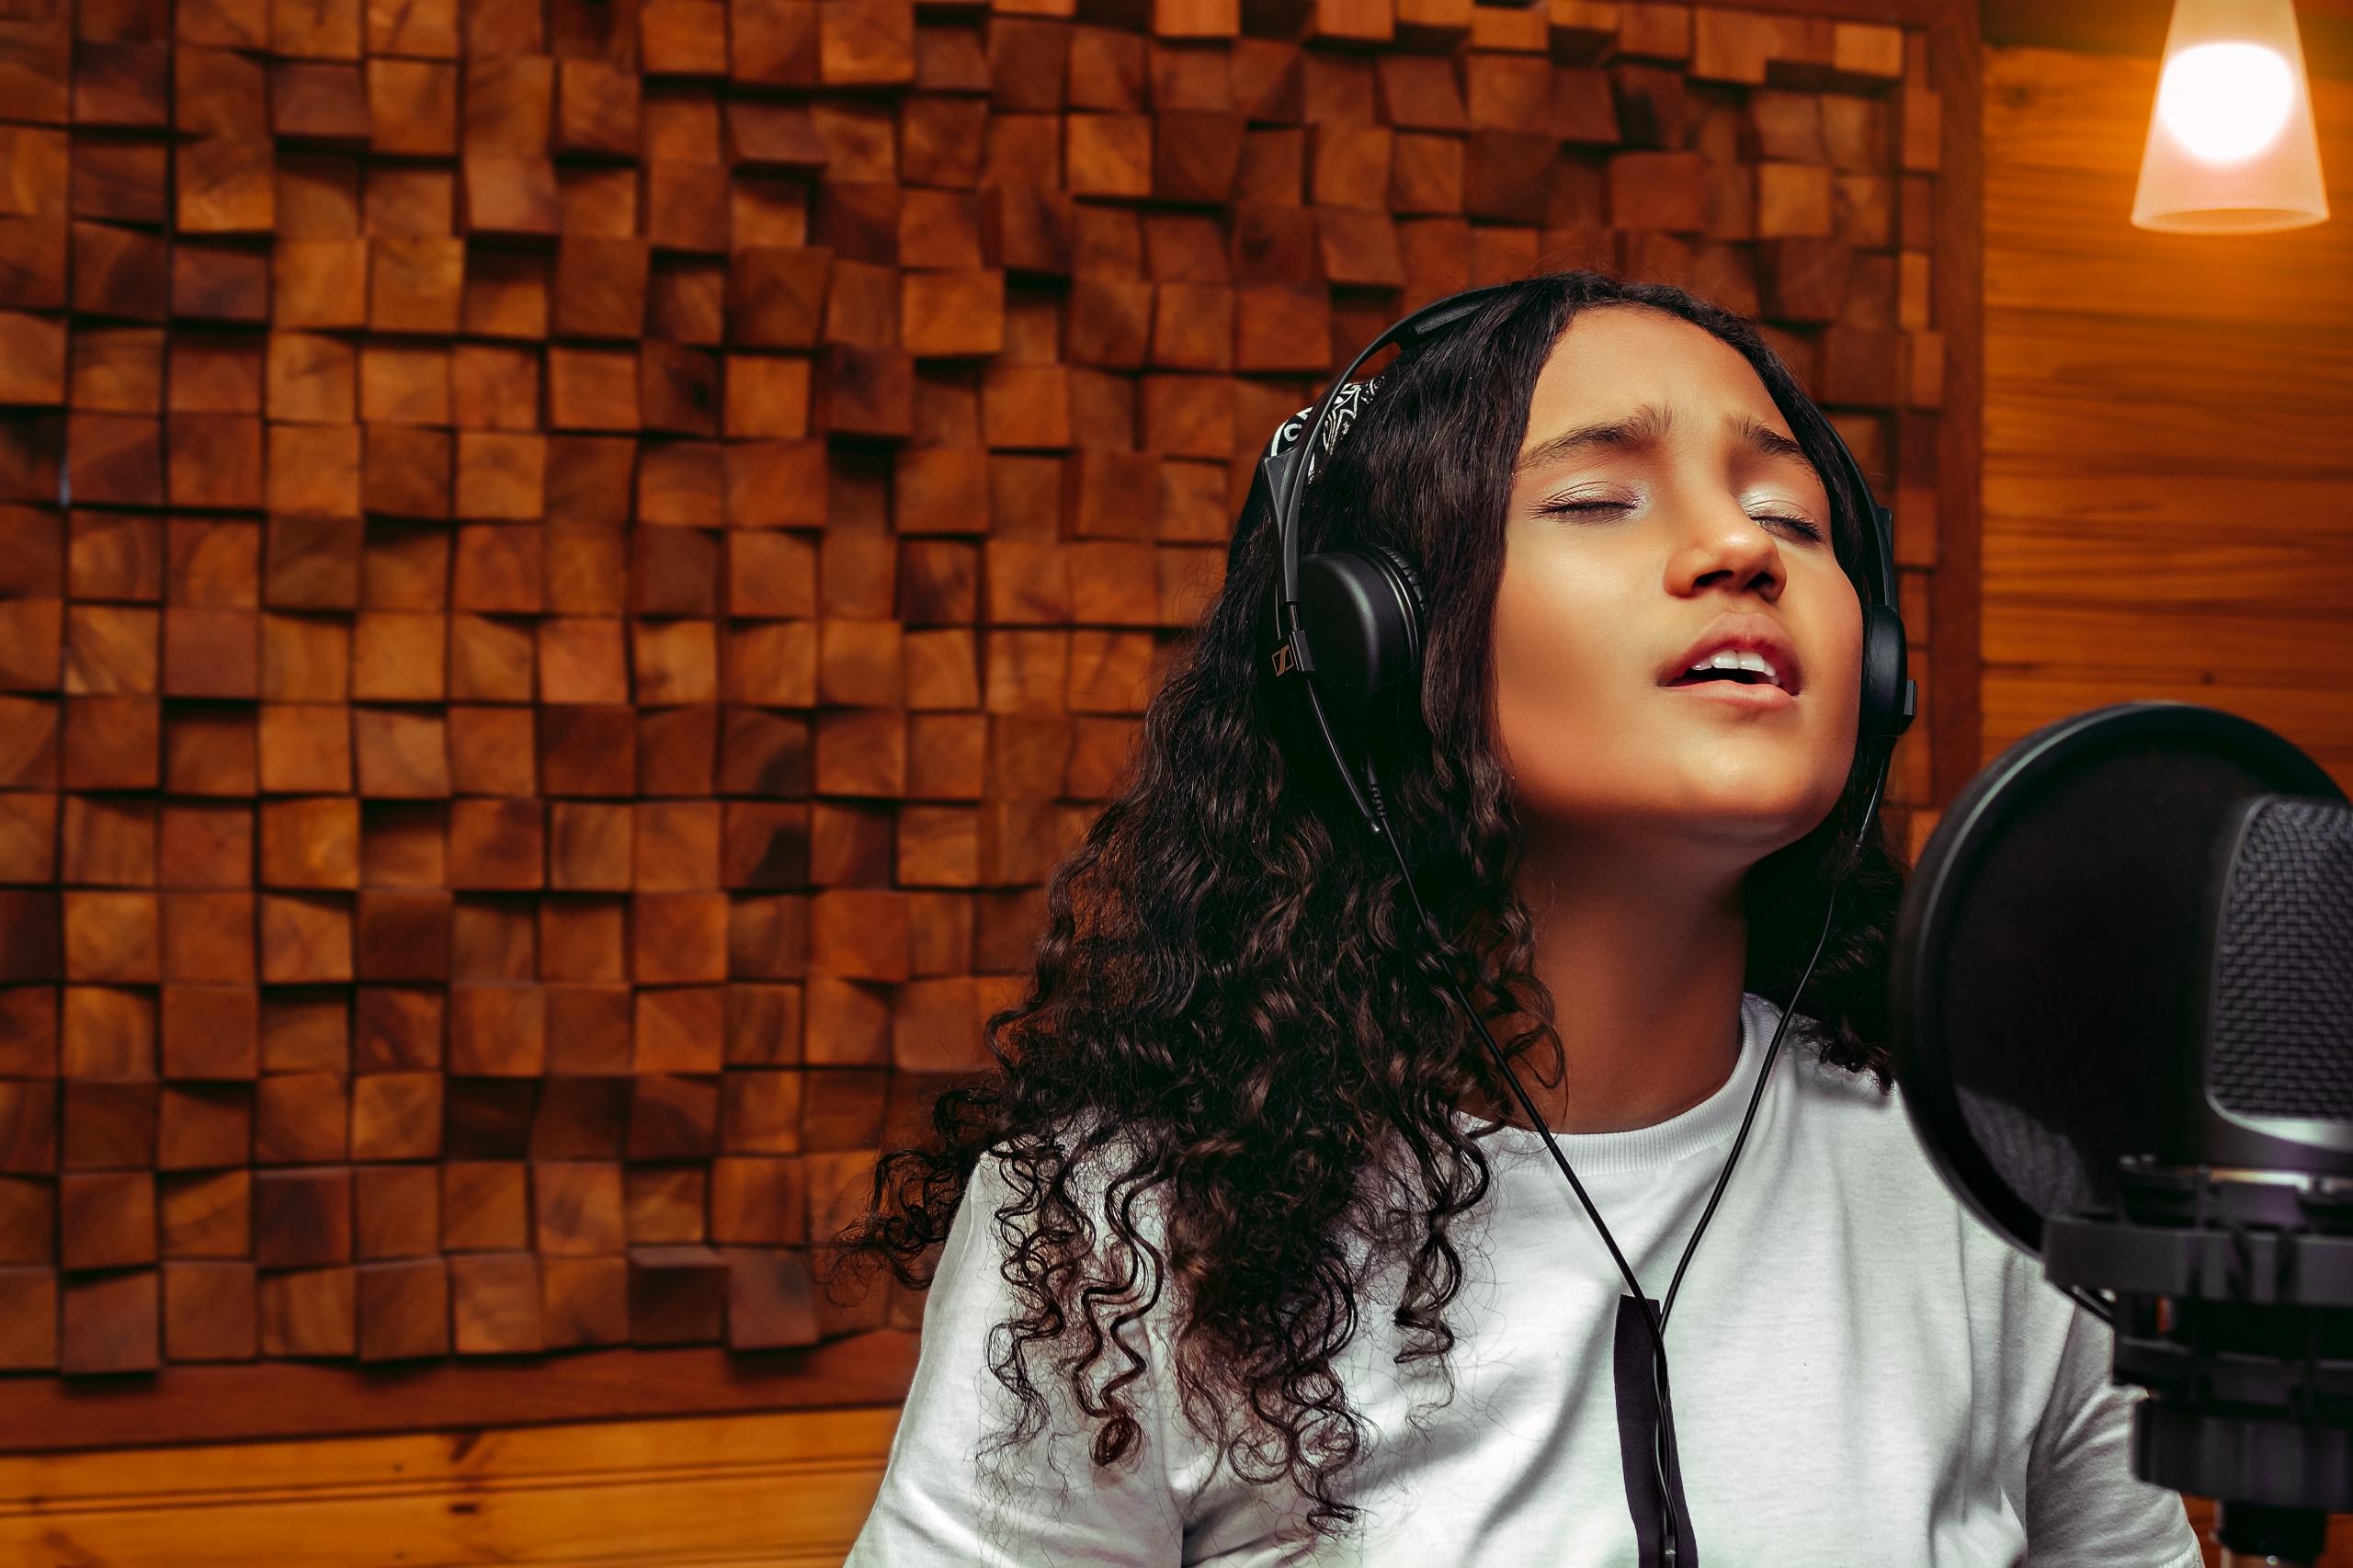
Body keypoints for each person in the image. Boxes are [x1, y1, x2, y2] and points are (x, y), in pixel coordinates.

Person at [823, 270, 2203, 1566]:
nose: (1740, 547)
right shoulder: (1121, 1234)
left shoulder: (1984, 1185)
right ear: (1373, 636)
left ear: (1879, 663)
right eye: (1598, 498)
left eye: (1792, 518)